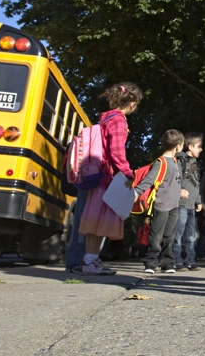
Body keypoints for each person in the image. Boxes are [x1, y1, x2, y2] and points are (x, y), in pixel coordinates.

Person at [76, 82, 143, 275]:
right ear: (131, 103)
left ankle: (88, 259)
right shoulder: (119, 121)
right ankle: (91, 262)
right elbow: (117, 152)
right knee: (100, 222)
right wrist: (129, 174)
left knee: (92, 221)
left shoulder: (106, 118)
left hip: (97, 174)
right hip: (108, 177)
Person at [133, 129, 183, 274]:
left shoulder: (175, 162)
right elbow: (149, 179)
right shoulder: (161, 163)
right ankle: (151, 262)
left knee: (169, 235)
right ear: (178, 146)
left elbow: (173, 182)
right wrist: (137, 191)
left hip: (174, 204)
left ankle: (168, 263)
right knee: (156, 235)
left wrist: (181, 191)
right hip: (161, 205)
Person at [173, 132, 204, 271]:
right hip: (181, 204)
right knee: (178, 233)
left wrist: (198, 200)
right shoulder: (180, 161)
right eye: (199, 146)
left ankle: (190, 260)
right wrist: (179, 190)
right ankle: (176, 260)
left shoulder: (195, 163)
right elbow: (176, 179)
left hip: (191, 204)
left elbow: (196, 183)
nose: (201, 149)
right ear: (190, 147)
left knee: (191, 235)